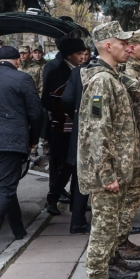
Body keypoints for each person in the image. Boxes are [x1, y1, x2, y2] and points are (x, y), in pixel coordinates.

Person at [79, 21, 140, 279]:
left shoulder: (111, 77)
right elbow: (97, 129)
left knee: (111, 226)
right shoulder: (101, 81)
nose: (129, 47)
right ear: (107, 45)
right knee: (103, 229)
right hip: (108, 173)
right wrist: (106, 174)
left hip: (118, 168)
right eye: (122, 42)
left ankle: (106, 275)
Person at [0, 46, 44, 258]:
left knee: (6, 184)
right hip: (11, 141)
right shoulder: (22, 79)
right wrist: (33, 140)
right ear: (17, 61)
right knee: (6, 187)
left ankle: (18, 229)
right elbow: (36, 113)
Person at [115, 29, 140, 260]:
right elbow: (139, 94)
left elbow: (134, 106)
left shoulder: (133, 69)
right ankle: (119, 244)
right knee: (127, 196)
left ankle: (122, 240)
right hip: (125, 143)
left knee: (134, 194)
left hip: (134, 135)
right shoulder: (128, 71)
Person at [42, 38, 86, 215]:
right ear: (69, 55)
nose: (83, 57)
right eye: (79, 54)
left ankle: (78, 202)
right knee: (65, 167)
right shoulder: (56, 71)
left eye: (84, 53)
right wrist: (65, 112)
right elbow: (47, 99)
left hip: (77, 124)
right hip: (63, 125)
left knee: (79, 167)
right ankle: (52, 198)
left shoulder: (82, 70)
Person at [60, 41, 93, 236]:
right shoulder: (104, 73)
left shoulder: (78, 72)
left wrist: (76, 116)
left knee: (81, 173)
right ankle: (81, 220)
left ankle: (78, 218)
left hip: (79, 127)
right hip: (96, 129)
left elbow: (66, 99)